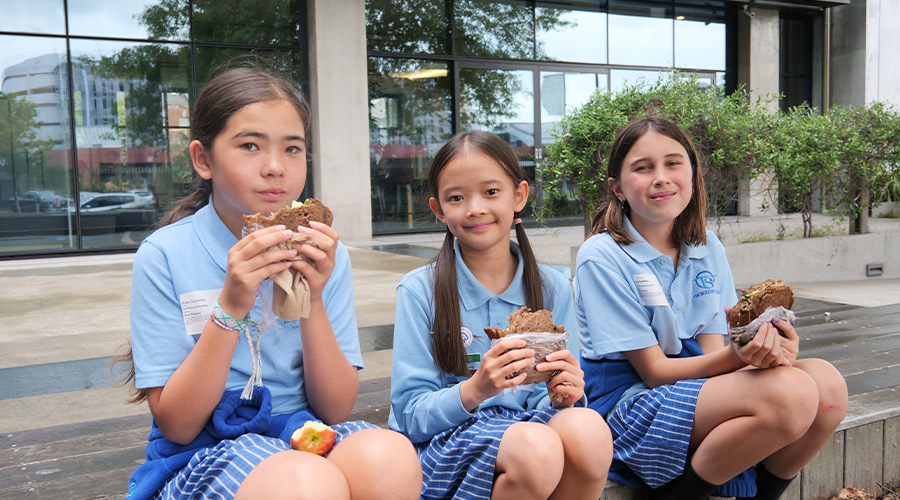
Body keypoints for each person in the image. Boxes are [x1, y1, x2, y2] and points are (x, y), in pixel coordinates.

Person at [116, 65, 422, 500]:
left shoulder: (322, 251)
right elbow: (178, 425)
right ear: (204, 159)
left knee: (388, 455)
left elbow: (335, 408)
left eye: (292, 148)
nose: (275, 167)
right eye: (250, 145)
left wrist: (312, 297)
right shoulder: (165, 254)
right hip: (203, 452)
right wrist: (232, 304)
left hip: (303, 431)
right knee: (305, 480)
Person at [574, 116, 848, 500]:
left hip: (691, 384)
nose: (661, 177)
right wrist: (740, 361)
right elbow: (654, 372)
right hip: (626, 403)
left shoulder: (706, 245)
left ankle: (760, 495)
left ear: (692, 174)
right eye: (643, 167)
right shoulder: (601, 256)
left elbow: (713, 354)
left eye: (673, 163)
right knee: (792, 394)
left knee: (825, 383)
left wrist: (770, 352)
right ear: (617, 188)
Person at [389, 131, 612, 500]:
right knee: (535, 448)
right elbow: (411, 414)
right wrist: (476, 388)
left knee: (589, 430)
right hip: (447, 438)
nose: (475, 208)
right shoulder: (420, 290)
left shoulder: (553, 286)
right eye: (456, 198)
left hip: (529, 429)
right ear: (439, 210)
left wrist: (565, 393)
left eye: (491, 192)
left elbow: (558, 398)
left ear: (519, 196)